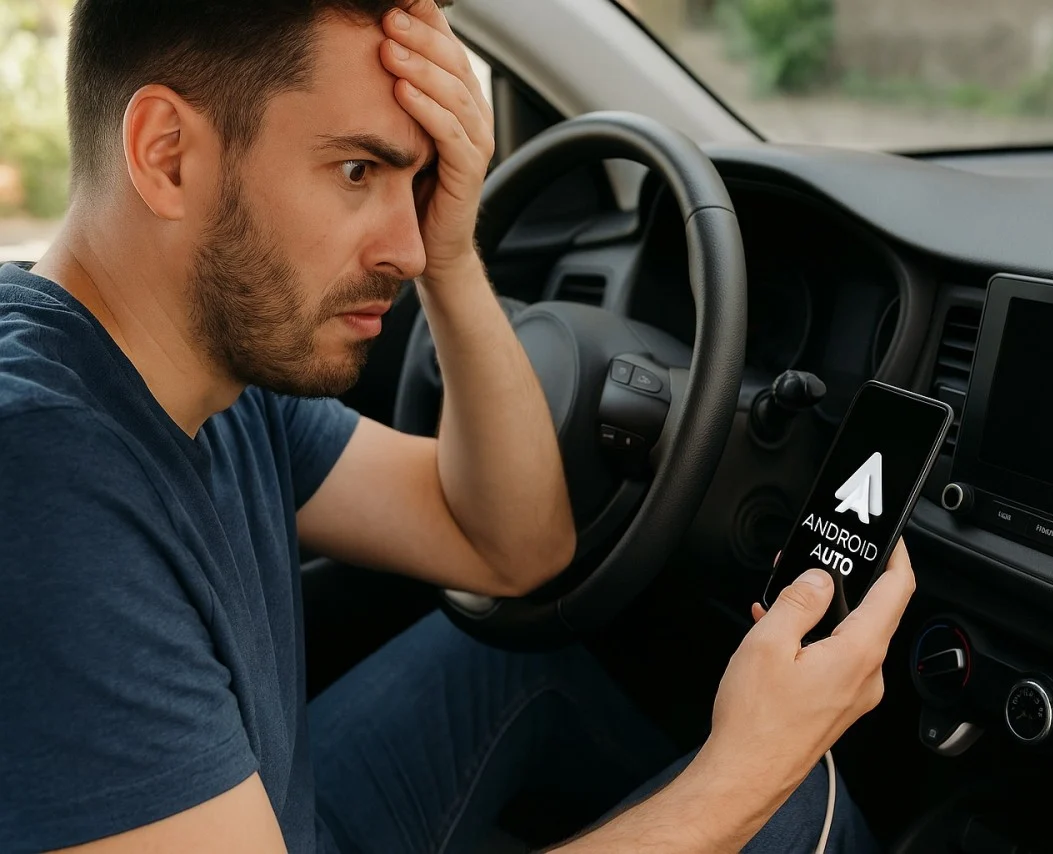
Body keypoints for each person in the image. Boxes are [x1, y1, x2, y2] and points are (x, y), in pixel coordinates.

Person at [0, 1, 916, 851]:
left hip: (274, 814)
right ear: (167, 155)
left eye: (419, 177)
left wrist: (452, 255)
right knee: (797, 802)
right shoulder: (43, 485)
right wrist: (743, 771)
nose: (403, 244)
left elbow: (511, 549)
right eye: (357, 169)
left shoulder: (200, 368)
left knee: (519, 658)